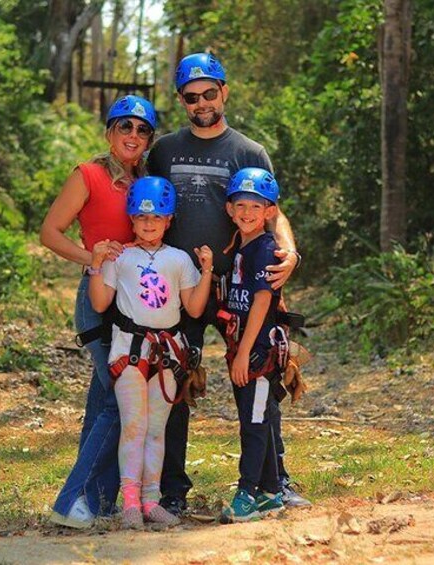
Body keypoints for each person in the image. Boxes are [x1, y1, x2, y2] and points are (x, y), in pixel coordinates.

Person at [146, 52, 310, 515]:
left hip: (240, 283)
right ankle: (172, 491)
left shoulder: (248, 151)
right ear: (181, 100)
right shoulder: (164, 150)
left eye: (209, 93)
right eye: (191, 96)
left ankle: (274, 480)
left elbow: (276, 209)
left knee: (261, 375)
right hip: (182, 285)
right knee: (173, 382)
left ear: (225, 92)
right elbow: (146, 210)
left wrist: (290, 253)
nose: (201, 103)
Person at [40, 95, 157, 528]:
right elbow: (49, 232)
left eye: (142, 129)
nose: (133, 135)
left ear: (149, 139)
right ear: (109, 133)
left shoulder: (148, 183)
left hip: (138, 306)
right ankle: (70, 501)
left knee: (100, 404)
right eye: (124, 127)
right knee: (117, 402)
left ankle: (100, 499)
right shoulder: (87, 175)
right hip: (99, 301)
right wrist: (90, 257)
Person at [88, 176, 213, 528]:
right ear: (131, 218)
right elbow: (100, 302)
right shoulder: (120, 257)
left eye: (156, 217)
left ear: (168, 220)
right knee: (134, 426)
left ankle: (150, 501)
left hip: (168, 353)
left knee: (157, 429)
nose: (148, 223)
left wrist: (205, 272)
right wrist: (97, 264)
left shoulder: (178, 260)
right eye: (142, 217)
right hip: (130, 349)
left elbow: (193, 307)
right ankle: (129, 502)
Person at [218, 167, 289, 522]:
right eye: (240, 204)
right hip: (242, 346)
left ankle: (247, 492)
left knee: (255, 422)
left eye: (256, 206)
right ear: (230, 209)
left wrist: (245, 352)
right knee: (253, 416)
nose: (247, 212)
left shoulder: (264, 248)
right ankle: (272, 492)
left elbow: (262, 301)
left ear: (270, 211)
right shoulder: (240, 247)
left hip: (258, 351)